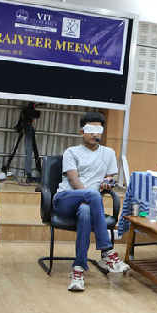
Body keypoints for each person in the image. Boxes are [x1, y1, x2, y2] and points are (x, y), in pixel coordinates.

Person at [54, 112, 129, 292]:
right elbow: (73, 180)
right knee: (94, 195)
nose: (95, 135)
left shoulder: (109, 153)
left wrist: (108, 182)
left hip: (88, 205)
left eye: (99, 131)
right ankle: (106, 250)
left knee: (86, 213)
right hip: (66, 199)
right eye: (91, 130)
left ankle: (78, 270)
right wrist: (88, 195)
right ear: (82, 132)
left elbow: (109, 178)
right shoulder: (71, 152)